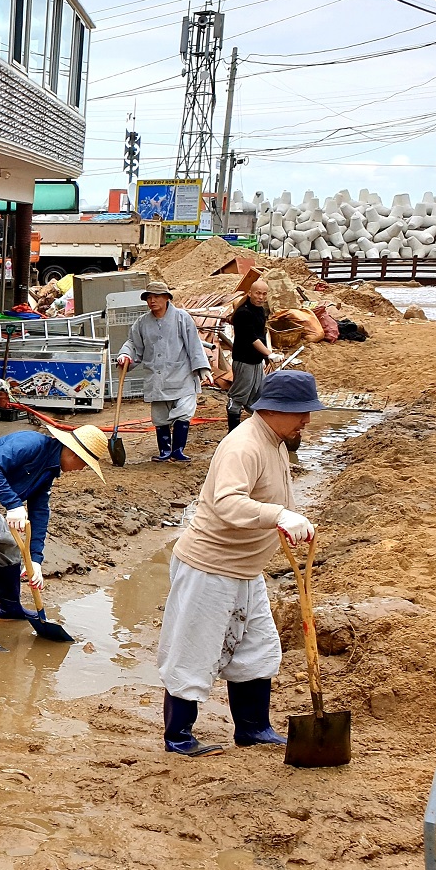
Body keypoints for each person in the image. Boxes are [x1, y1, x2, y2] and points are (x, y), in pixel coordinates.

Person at [156, 370, 325, 757]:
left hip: (246, 569)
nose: (307, 420)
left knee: (256, 649)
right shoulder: (243, 446)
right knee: (193, 651)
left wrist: (292, 521)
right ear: (273, 409)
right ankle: (178, 737)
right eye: (301, 412)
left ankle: (253, 728)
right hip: (209, 567)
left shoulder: (277, 442)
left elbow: (274, 495)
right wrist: (279, 516)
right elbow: (227, 503)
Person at [0, 424, 109, 651]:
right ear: (74, 453)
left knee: (8, 546)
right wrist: (13, 504)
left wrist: (35, 558)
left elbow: (39, 511)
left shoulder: (49, 469)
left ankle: (9, 607)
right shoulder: (30, 444)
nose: (82, 469)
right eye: (85, 463)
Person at [115, 278, 211, 464]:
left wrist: (202, 369)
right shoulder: (142, 323)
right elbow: (133, 344)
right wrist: (125, 355)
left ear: (167, 298)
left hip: (181, 375)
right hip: (157, 377)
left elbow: (194, 345)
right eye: (149, 297)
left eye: (157, 296)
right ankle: (165, 451)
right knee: (160, 417)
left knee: (184, 412)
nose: (153, 301)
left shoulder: (182, 318)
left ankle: (178, 450)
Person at [225, 280, 279, 433]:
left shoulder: (260, 311)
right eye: (257, 293)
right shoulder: (243, 313)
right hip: (244, 360)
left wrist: (267, 355)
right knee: (238, 397)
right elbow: (252, 339)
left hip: (256, 360)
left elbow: (261, 335)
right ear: (250, 293)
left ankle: (259, 429)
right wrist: (270, 354)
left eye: (264, 294)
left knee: (259, 393)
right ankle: (232, 432)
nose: (261, 297)